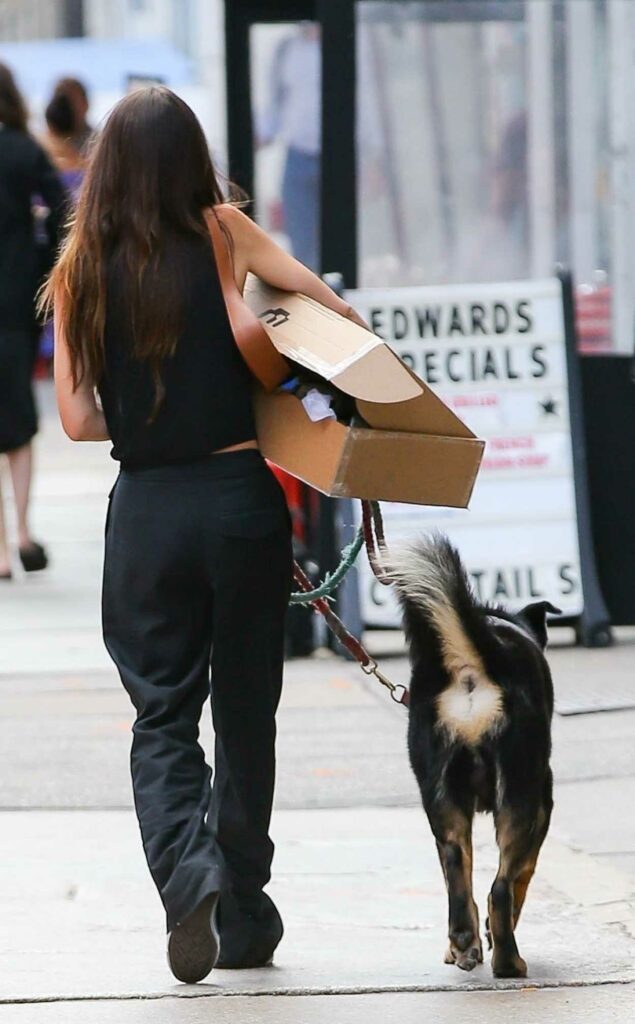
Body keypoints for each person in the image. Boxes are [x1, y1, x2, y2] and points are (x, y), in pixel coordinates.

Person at [44, 86, 367, 982]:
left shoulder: (78, 269)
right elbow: (318, 301)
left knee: (162, 714)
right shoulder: (221, 228)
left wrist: (148, 420)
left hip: (146, 511)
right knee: (247, 712)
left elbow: (73, 420)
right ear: (191, 157)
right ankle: (246, 907)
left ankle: (189, 879)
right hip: (235, 498)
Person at [0, 64, 65, 579]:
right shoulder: (23, 149)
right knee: (18, 421)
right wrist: (43, 262)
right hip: (15, 301)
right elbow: (65, 210)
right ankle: (22, 531)